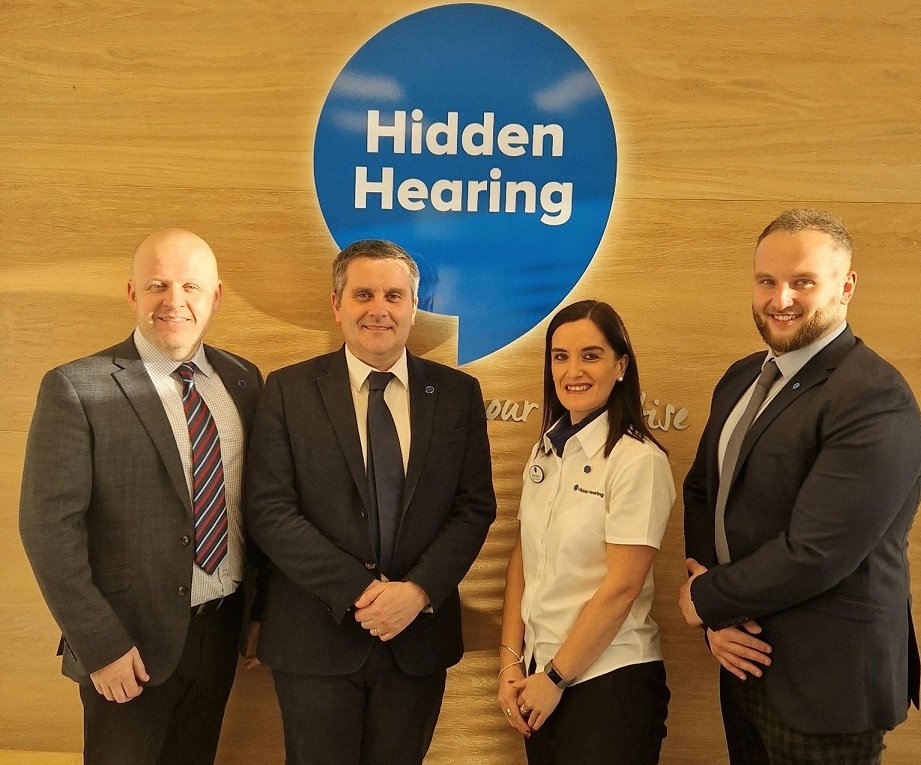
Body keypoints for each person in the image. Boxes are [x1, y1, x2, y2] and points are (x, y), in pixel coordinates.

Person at [680, 209, 921, 764]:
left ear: (846, 286)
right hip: (743, 662)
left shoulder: (874, 398)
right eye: (767, 280)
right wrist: (718, 616)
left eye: (803, 282)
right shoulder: (743, 376)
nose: (781, 299)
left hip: (827, 687)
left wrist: (704, 599)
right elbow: (703, 493)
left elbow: (816, 552)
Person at [19, 228, 267, 764]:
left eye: (190, 286)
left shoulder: (243, 381)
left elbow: (254, 505)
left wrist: (259, 611)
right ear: (132, 293)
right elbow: (48, 529)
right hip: (125, 646)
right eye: (157, 285)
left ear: (215, 296)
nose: (173, 301)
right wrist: (100, 646)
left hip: (220, 631)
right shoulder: (77, 387)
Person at [245, 239, 496, 765]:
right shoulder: (288, 390)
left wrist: (419, 591)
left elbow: (474, 508)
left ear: (413, 307)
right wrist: (360, 590)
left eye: (394, 295)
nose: (379, 309)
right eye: (363, 294)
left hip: (416, 641)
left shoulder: (457, 395)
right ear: (337, 305)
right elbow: (270, 510)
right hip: (314, 640)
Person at [498, 299, 675, 764]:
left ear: (621, 366)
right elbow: (524, 555)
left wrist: (554, 678)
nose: (572, 370)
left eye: (590, 355)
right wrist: (510, 662)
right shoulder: (546, 449)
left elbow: (622, 588)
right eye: (560, 356)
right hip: (540, 682)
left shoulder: (639, 461)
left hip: (609, 683)